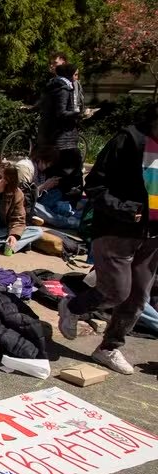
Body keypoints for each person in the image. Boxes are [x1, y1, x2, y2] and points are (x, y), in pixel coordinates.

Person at [58, 103, 158, 375]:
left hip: (152, 237)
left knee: (138, 298)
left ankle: (109, 347)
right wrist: (126, 209)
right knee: (117, 291)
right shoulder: (129, 140)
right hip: (117, 230)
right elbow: (95, 185)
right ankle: (72, 305)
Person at [37, 62, 84, 195]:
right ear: (68, 75)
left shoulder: (56, 86)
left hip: (59, 136)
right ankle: (64, 196)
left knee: (59, 168)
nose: (77, 78)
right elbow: (61, 113)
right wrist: (80, 114)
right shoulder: (63, 89)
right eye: (75, 74)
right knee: (68, 168)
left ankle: (60, 194)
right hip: (64, 138)